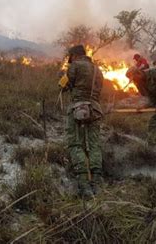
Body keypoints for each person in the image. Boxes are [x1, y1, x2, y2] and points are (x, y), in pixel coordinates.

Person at [60, 44, 104, 198]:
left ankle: (84, 184)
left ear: (75, 55)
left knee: (75, 143)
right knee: (94, 145)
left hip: (78, 109)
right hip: (96, 109)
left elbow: (63, 85)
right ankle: (97, 182)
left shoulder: (75, 66)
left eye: (70, 57)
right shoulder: (98, 70)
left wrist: (63, 79)